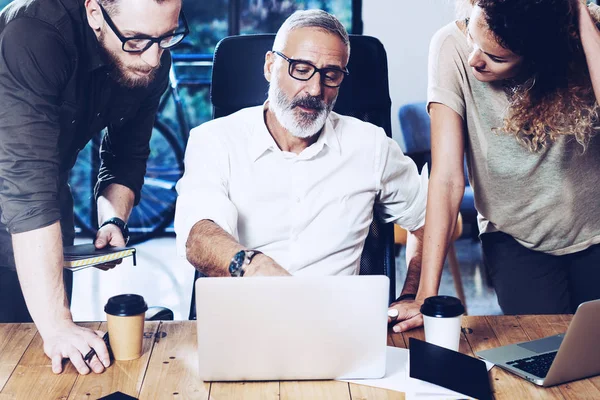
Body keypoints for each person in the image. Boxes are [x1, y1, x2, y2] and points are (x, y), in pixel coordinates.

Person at [175, 10, 429, 333]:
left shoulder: (371, 146)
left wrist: (414, 294)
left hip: (340, 333)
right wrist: (255, 268)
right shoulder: (213, 141)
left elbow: (430, 219)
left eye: (331, 74)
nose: (314, 89)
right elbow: (198, 236)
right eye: (301, 69)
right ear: (270, 66)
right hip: (243, 329)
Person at [0, 0, 186, 375]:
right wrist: (56, 322)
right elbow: (25, 181)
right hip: (25, 181)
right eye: (135, 40)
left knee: (37, 357)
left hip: (45, 191)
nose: (153, 59)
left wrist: (113, 220)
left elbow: (126, 155)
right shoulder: (36, 33)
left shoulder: (152, 55)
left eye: (166, 37)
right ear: (94, 13)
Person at [421, 0, 600, 316]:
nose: (475, 59)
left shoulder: (584, 42)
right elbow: (447, 179)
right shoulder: (450, 46)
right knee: (542, 352)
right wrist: (425, 295)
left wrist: (583, 21)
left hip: (594, 230)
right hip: (514, 236)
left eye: (495, 57)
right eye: (473, 38)